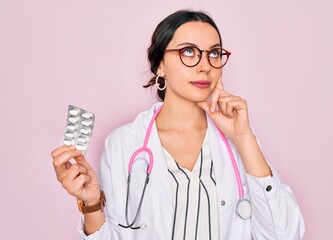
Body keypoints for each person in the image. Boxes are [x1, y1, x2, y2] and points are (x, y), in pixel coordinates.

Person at [51, 9, 305, 240]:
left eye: (214, 53)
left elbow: (285, 235)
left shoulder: (239, 140)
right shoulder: (124, 143)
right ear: (160, 64)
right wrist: (93, 204)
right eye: (189, 52)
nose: (205, 66)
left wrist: (245, 137)